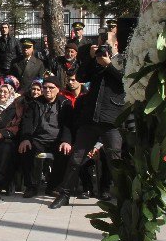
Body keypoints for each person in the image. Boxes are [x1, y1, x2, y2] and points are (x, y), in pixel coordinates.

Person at [50, 43, 126, 209]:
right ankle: (65, 194)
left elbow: (126, 81)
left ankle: (123, 197)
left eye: (109, 43)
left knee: (115, 159)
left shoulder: (124, 60)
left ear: (116, 45)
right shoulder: (96, 61)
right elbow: (82, 77)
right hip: (90, 117)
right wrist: (91, 59)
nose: (105, 47)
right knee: (76, 158)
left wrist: (109, 65)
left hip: (111, 118)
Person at [18, 76, 73, 198]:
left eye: (51, 88)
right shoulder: (35, 103)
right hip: (38, 139)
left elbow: (68, 125)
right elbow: (27, 122)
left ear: (58, 89)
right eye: (45, 87)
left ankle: (54, 186)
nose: (47, 90)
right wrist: (26, 138)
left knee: (64, 152)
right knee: (26, 149)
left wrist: (66, 141)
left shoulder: (65, 104)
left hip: (57, 140)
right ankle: (31, 186)